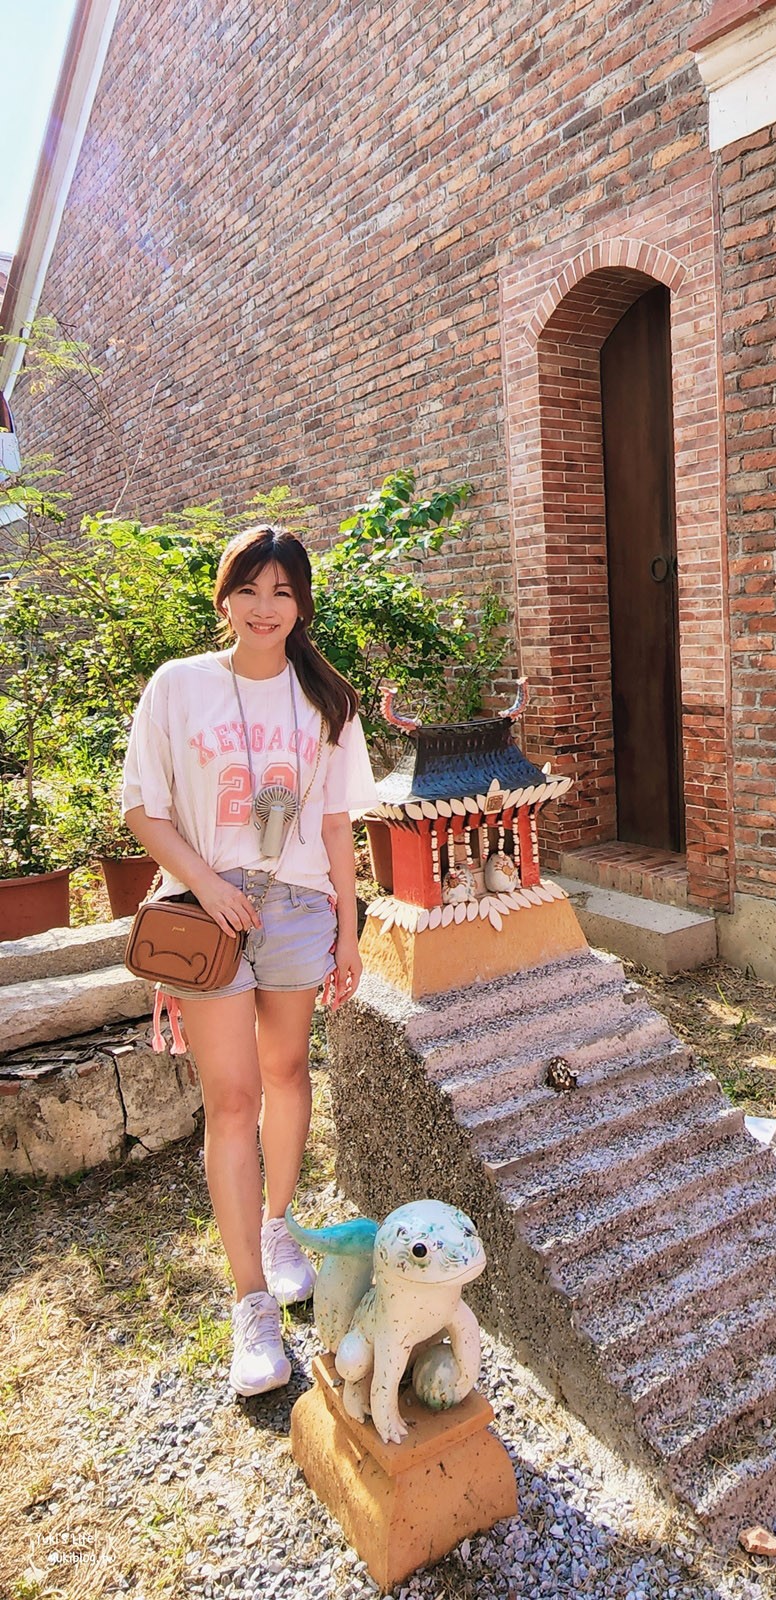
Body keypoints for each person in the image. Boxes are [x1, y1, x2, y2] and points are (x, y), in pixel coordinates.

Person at [122, 525, 379, 1397]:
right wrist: (206, 884)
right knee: (230, 1098)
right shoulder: (181, 687)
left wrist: (350, 926)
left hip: (304, 905)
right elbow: (144, 811)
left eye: (283, 592)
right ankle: (251, 1308)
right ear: (224, 596)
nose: (265, 609)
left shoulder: (327, 701)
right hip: (209, 910)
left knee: (288, 1070)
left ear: (302, 603)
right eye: (249, 590)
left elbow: (338, 823)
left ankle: (278, 1224)